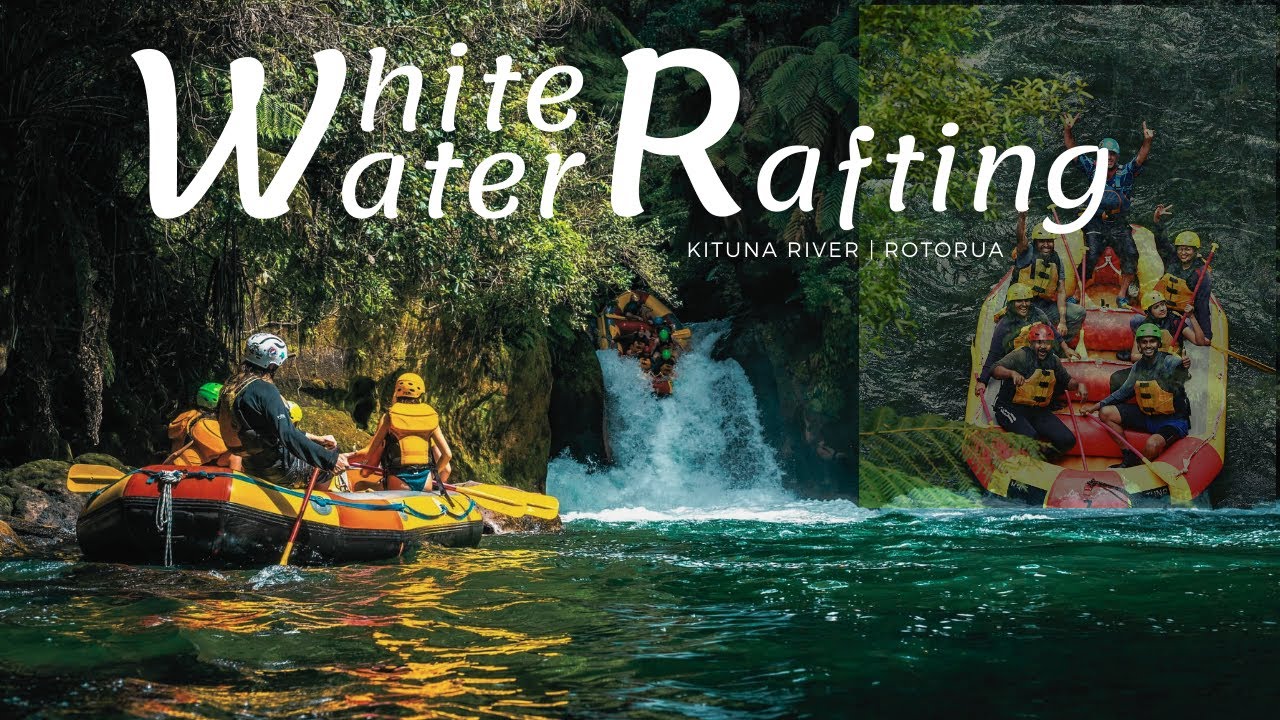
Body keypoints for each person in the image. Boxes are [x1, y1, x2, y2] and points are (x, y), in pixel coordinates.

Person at [217, 332, 350, 486]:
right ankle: (322, 503)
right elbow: (287, 435)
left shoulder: (233, 386)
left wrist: (317, 439)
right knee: (331, 454)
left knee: (319, 447)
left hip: (252, 465)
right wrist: (330, 460)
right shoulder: (265, 390)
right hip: (280, 470)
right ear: (273, 364)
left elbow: (265, 430)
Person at [1063, 115, 1154, 306]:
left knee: (1130, 252)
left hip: (1118, 221)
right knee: (1092, 251)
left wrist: (1147, 141)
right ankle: (1079, 293)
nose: (1109, 157)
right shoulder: (1092, 169)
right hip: (1095, 220)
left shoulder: (1125, 173)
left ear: (1117, 157)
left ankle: (1122, 294)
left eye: (1112, 154)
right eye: (1105, 154)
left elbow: (1139, 158)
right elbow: (1073, 152)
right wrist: (1068, 131)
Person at [1081, 323, 1192, 467]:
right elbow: (1122, 393)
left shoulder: (1169, 361)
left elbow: (1180, 370)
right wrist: (1094, 407)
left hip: (1173, 420)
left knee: (1152, 444)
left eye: (1152, 341)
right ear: (1138, 346)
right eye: (1144, 342)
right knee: (1105, 412)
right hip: (1147, 416)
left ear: (1158, 343)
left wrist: (1184, 366)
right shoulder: (1137, 367)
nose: (1148, 345)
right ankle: (1128, 455)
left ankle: (1138, 468)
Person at [989, 323, 1090, 457]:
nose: (1043, 347)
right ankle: (1035, 460)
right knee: (1031, 437)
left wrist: (1078, 385)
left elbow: (1067, 381)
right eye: (1039, 342)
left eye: (1047, 343)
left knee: (1068, 440)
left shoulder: (1054, 361)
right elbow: (994, 369)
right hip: (1010, 407)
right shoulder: (1020, 355)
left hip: (1037, 409)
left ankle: (1044, 460)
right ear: (1031, 343)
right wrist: (1011, 373)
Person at [348, 372, 453, 492]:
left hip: (399, 483)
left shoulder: (390, 417)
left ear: (396, 393)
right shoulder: (430, 418)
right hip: (425, 484)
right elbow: (447, 456)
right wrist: (432, 475)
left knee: (360, 485)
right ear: (420, 395)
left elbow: (368, 453)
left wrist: (356, 466)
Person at [976, 284, 1075, 397]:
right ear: (1012, 303)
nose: (1024, 305)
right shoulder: (1004, 326)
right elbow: (993, 355)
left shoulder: (1038, 314)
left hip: (1038, 355)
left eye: (1026, 301)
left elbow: (1053, 332)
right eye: (1019, 301)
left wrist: (1066, 348)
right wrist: (982, 381)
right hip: (1019, 362)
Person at [1012, 211, 1086, 344]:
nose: (1046, 244)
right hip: (1023, 306)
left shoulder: (1056, 260)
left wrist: (1063, 321)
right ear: (1035, 242)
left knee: (1078, 312)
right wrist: (1022, 217)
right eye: (1042, 241)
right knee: (1025, 331)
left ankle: (1059, 346)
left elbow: (1062, 291)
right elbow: (1020, 238)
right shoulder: (1026, 252)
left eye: (1049, 241)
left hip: (1044, 306)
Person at [1151, 207, 1213, 342]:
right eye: (1180, 249)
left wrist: (1206, 334)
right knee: (1136, 322)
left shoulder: (1201, 276)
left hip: (1184, 317)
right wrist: (1157, 220)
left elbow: (1202, 306)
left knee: (1169, 330)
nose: (1183, 253)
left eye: (1188, 249)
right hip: (1164, 310)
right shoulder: (1173, 258)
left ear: (1196, 251)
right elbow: (1162, 242)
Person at [165, 382, 241, 470]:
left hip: (173, 463)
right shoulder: (210, 425)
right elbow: (226, 450)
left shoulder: (188, 415)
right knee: (235, 456)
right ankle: (237, 481)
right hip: (189, 470)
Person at [1119, 290, 1204, 361]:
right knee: (1136, 319)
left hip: (1172, 360)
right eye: (1156, 307)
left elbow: (1200, 342)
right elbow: (1134, 356)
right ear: (1149, 312)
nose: (1162, 309)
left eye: (1163, 304)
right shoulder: (1145, 325)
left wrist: (1192, 316)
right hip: (1154, 359)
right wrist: (1157, 357)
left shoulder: (1175, 321)